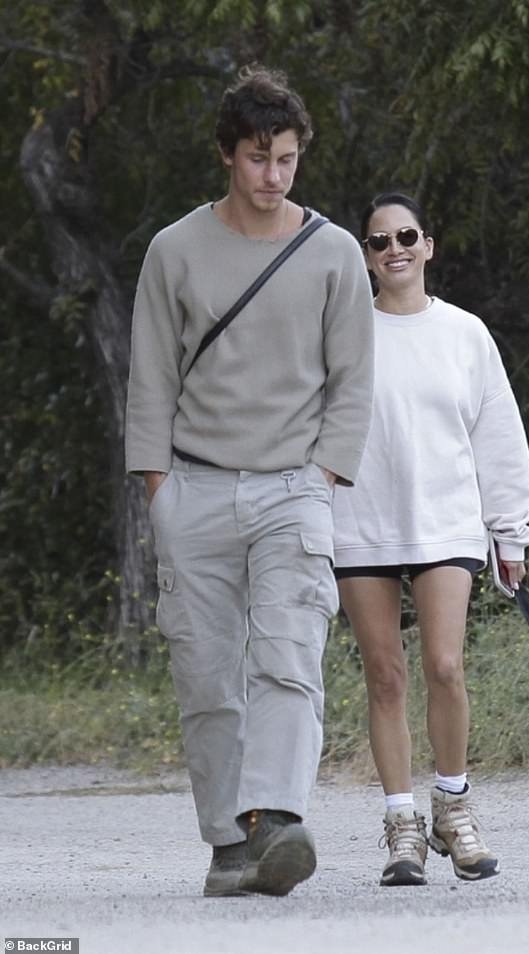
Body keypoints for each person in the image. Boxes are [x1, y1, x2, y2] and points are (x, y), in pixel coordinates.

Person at [125, 65, 374, 898]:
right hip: (192, 486)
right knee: (207, 677)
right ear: (228, 155)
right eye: (260, 158)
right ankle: (231, 846)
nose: (275, 176)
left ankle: (278, 821)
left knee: (289, 654)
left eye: (289, 159)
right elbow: (151, 375)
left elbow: (353, 380)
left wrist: (327, 471)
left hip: (293, 487)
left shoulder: (335, 252)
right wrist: (158, 486)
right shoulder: (175, 249)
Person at [332, 192, 529, 887]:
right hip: (360, 522)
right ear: (365, 255)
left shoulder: (465, 333)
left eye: (406, 236)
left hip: (447, 521)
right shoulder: (345, 331)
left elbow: (498, 435)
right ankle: (401, 828)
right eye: (378, 240)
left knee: (444, 666)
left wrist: (510, 532)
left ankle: (453, 808)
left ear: (428, 246)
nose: (394, 248)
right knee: (385, 674)